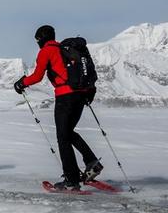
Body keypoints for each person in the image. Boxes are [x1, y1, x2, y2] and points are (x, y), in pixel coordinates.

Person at [14, 25, 103, 191]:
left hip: (65, 97)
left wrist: (21, 83)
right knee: (68, 133)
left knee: (63, 137)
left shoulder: (47, 51)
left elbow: (37, 76)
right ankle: (91, 162)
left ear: (41, 38)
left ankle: (71, 179)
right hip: (80, 95)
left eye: (37, 40)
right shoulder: (64, 50)